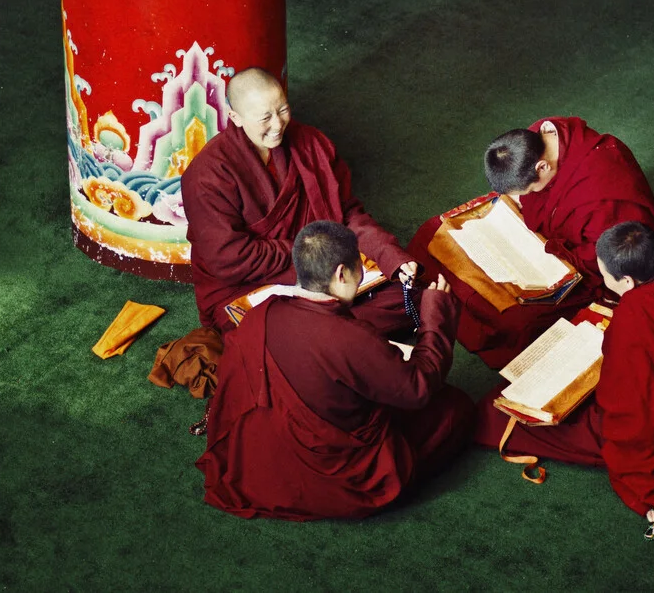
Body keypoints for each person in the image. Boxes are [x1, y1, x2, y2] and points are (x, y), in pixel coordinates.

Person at [473, 221, 654, 536]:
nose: (604, 281)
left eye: (606, 275)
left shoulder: (634, 318)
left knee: (493, 414)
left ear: (628, 281)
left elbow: (631, 415)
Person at [196, 221, 475, 520]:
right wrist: (436, 316)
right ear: (342, 274)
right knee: (454, 409)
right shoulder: (351, 338)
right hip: (340, 475)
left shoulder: (258, 315)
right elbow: (418, 388)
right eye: (359, 268)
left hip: (264, 461)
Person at [407, 116, 654, 367]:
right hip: (541, 233)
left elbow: (603, 254)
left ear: (542, 167)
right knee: (433, 233)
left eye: (531, 190)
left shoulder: (602, 188)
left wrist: (550, 252)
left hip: (574, 259)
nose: (528, 196)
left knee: (514, 320)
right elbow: (525, 202)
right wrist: (520, 206)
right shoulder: (539, 136)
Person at [182, 67, 418, 334]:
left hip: (322, 270)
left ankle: (331, 339)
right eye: (265, 118)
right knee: (285, 332)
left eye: (283, 110)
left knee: (407, 294)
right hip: (249, 286)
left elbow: (346, 214)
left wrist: (388, 253)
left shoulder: (309, 143)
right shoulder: (207, 176)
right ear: (235, 117)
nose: (278, 125)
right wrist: (310, 252)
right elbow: (228, 259)